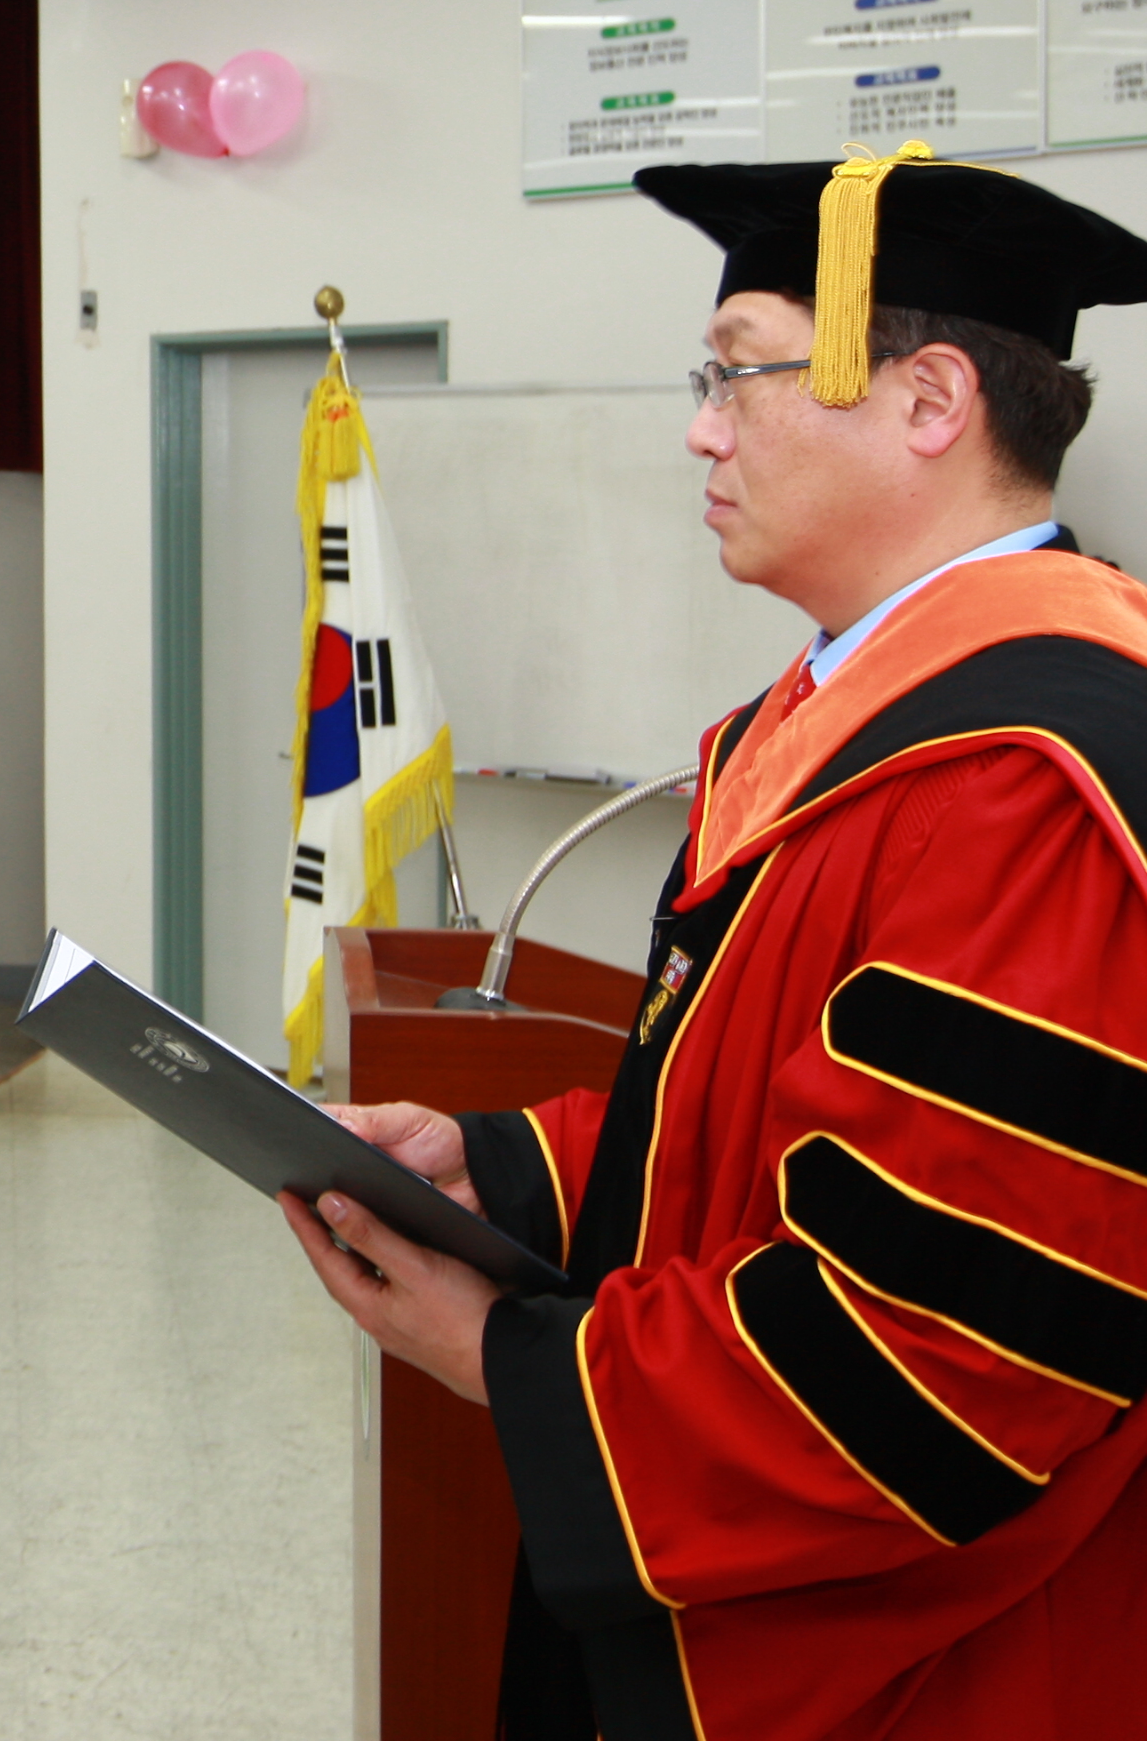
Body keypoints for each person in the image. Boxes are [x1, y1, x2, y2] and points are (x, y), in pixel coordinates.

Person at [282, 145, 1147, 1741]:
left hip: (926, 1673)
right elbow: (758, 1112)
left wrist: (506, 1358)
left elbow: (942, 1351)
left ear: (930, 401)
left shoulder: (1027, 783)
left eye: (736, 373)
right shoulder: (830, 716)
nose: (701, 427)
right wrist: (508, 1171)